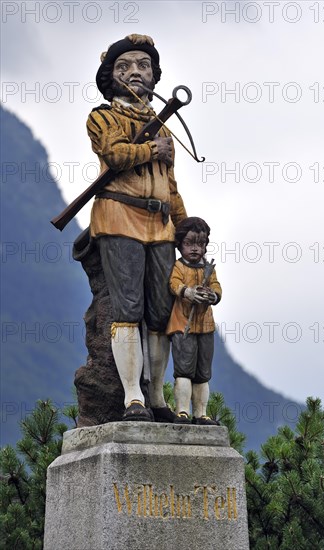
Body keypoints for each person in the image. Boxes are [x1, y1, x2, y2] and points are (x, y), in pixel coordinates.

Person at [87, 33, 187, 422]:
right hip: (119, 218)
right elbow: (114, 153)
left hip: (160, 224)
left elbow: (171, 185)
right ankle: (133, 398)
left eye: (143, 65)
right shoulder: (102, 116)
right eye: (124, 66)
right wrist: (149, 150)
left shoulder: (164, 129)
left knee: (161, 312)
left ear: (154, 75)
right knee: (128, 308)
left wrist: (184, 229)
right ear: (111, 76)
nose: (135, 72)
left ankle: (158, 398)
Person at [166, 217, 222, 425]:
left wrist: (212, 296)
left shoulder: (209, 269)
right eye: (190, 243)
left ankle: (201, 413)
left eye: (200, 244)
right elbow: (174, 283)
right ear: (180, 244)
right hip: (183, 324)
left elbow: (216, 286)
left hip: (205, 326)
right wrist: (187, 292)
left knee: (202, 373)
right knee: (184, 370)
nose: (195, 249)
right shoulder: (179, 267)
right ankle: (182, 411)